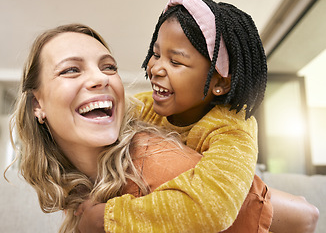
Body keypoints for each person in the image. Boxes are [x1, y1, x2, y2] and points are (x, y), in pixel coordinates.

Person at [78, 0, 318, 233]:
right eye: (156, 53)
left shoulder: (232, 128)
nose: (156, 68)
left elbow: (213, 208)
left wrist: (109, 218)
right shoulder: (146, 108)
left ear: (220, 83)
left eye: (176, 62)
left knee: (305, 215)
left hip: (249, 210)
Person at [7, 23, 274, 233]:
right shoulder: (78, 177)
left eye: (108, 67)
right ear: (36, 104)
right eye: (71, 70)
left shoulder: (154, 162)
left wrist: (108, 220)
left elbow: (299, 217)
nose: (101, 77)